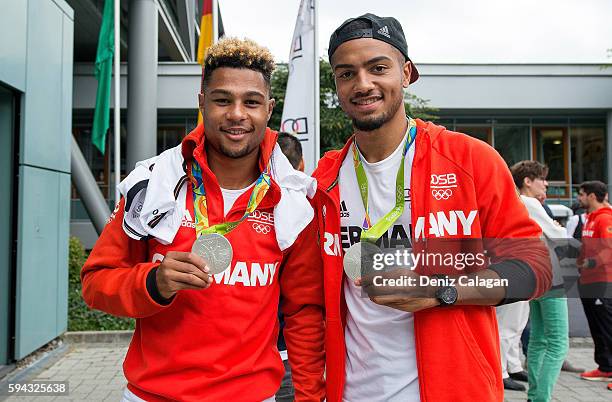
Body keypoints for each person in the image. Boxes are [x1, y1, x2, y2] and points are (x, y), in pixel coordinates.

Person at [312, 13, 552, 402]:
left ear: (406, 73)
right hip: (352, 392)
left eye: (378, 68)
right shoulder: (325, 180)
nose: (363, 84)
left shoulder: (470, 160)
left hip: (456, 389)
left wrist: (440, 289)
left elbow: (536, 269)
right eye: (346, 73)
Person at [81, 38, 325, 401]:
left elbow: (304, 313)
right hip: (153, 396)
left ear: (269, 109)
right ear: (202, 103)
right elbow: (95, 283)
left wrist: (308, 397)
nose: (237, 114)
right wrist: (153, 283)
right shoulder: (156, 182)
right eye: (223, 100)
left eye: (252, 102)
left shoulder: (292, 198)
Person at [510, 161, 569, 401]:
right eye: (542, 179)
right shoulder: (530, 203)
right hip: (551, 275)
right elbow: (560, 236)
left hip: (532, 276)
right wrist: (556, 226)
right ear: (527, 181)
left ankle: (535, 394)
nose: (545, 183)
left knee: (538, 339)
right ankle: (540, 397)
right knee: (558, 342)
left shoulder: (515, 202)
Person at [275, 131, 304, 401]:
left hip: (253, 358)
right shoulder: (311, 212)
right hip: (292, 359)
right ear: (302, 165)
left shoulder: (245, 208)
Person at [576, 181, 612, 390]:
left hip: (604, 281)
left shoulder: (605, 218)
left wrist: (589, 262)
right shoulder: (590, 218)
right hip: (589, 281)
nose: (578, 198)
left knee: (608, 327)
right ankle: (605, 366)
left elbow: (608, 250)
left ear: (591, 196)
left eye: (581, 194)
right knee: (597, 327)